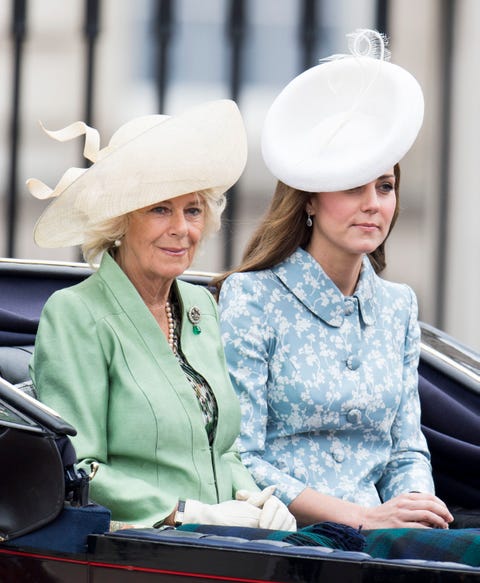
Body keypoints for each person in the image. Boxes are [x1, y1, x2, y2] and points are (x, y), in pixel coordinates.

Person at [217, 30, 453, 530]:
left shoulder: (398, 307)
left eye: (385, 186)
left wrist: (414, 510)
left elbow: (406, 448)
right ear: (309, 199)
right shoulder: (252, 297)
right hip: (286, 538)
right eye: (352, 186)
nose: (373, 203)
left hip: (384, 540)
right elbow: (241, 458)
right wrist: (363, 518)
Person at [27, 100, 296, 531]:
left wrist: (256, 502)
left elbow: (223, 449)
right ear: (118, 220)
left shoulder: (200, 305)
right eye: (159, 209)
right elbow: (81, 467)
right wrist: (187, 512)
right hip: (138, 550)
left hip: (225, 544)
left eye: (192, 209)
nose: (181, 228)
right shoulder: (75, 314)